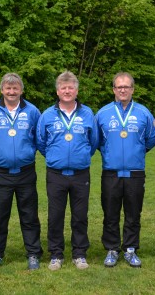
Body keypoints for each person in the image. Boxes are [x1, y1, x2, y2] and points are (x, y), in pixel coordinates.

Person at [0, 73, 43, 271]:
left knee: (29, 215)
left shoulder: (32, 111)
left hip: (25, 172)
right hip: (1, 172)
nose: (11, 92)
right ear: (2, 90)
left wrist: (27, 153)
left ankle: (33, 253)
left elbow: (39, 138)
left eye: (15, 88)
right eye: (8, 88)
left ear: (21, 90)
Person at [36, 71, 99, 271]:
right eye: (63, 88)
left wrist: (80, 156)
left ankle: (79, 254)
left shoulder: (88, 113)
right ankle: (56, 254)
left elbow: (94, 141)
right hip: (56, 174)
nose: (67, 91)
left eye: (70, 87)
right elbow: (41, 142)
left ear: (76, 90)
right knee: (55, 215)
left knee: (80, 215)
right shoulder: (47, 115)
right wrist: (57, 157)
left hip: (81, 174)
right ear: (57, 91)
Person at [95, 72, 155, 268]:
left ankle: (130, 249)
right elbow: (96, 141)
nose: (123, 90)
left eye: (127, 86)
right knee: (110, 213)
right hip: (111, 172)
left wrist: (137, 152)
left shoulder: (143, 113)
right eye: (119, 86)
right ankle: (112, 249)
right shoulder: (103, 114)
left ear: (133, 89)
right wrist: (109, 152)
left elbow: (152, 138)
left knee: (133, 213)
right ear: (113, 89)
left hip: (135, 172)